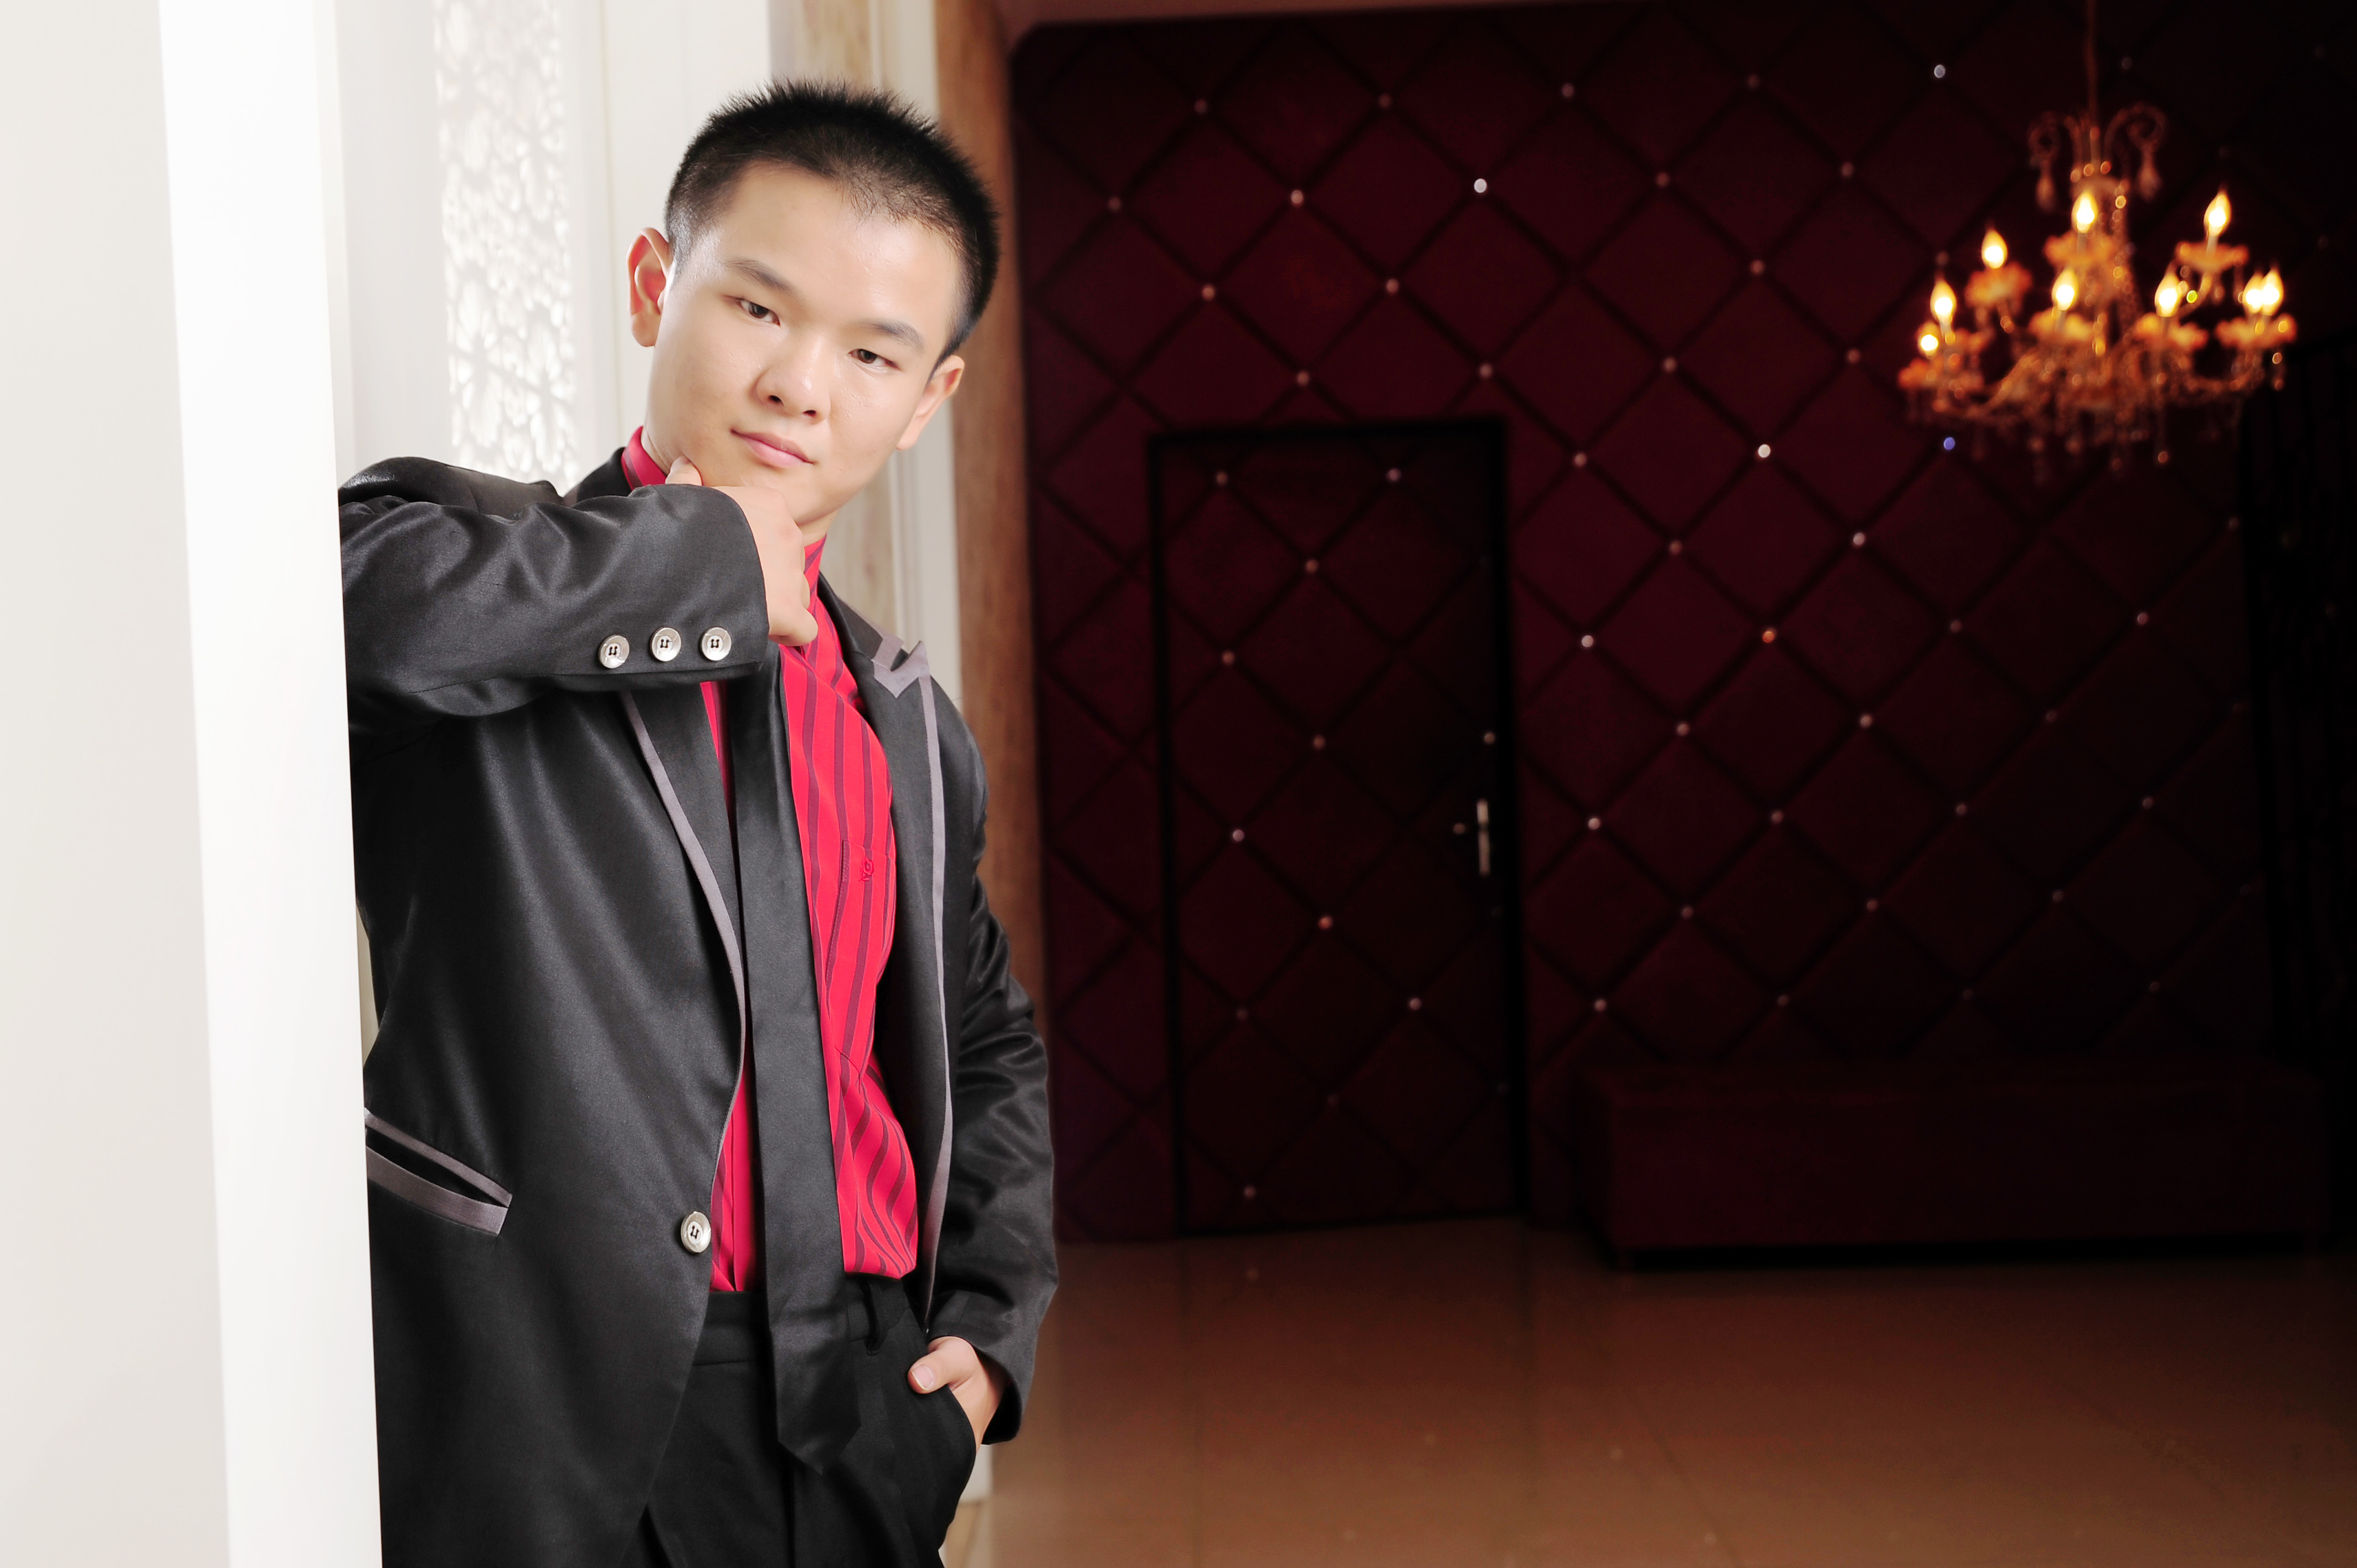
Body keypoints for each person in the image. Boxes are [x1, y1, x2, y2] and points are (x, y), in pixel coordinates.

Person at [339, 82, 1053, 1567]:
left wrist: (989, 1329)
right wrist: (704, 567)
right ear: (655, 286)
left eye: (872, 354)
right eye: (759, 309)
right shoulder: (480, 562)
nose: (801, 385)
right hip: (550, 1399)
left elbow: (983, 1036)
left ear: (929, 400)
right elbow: (352, 617)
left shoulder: (908, 723)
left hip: (863, 1404)